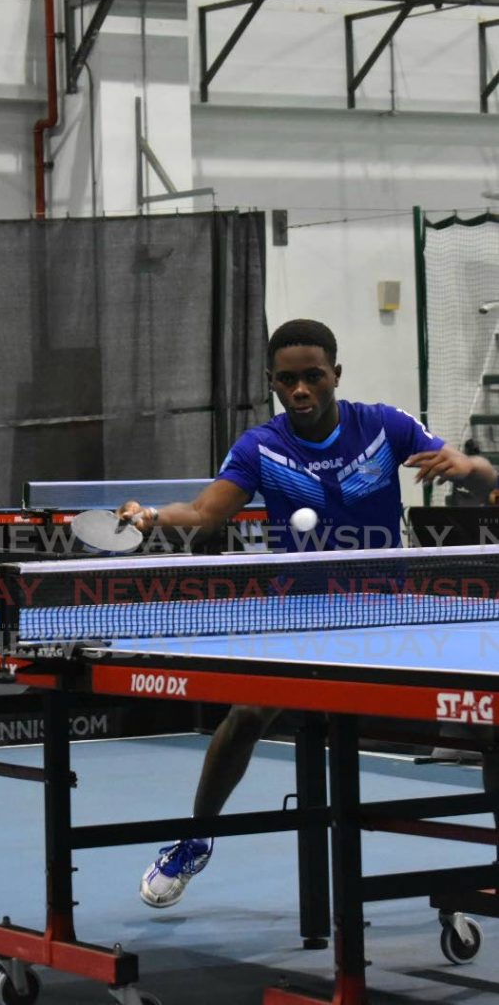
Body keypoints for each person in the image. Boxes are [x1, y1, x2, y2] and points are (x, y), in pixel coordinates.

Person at [117, 318, 497, 909]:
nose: (301, 390)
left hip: (389, 613)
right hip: (305, 614)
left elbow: (475, 475)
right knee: (247, 712)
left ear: (335, 375)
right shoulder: (261, 448)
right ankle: (196, 837)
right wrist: (152, 518)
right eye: (288, 380)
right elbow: (204, 509)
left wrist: (474, 470)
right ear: (273, 383)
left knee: (487, 717)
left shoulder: (384, 427)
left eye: (313, 377)